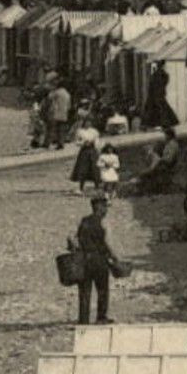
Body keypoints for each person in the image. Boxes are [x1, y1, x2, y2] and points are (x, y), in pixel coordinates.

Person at [74, 195, 119, 325]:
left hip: (84, 260)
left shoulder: (84, 221)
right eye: (105, 207)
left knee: (84, 291)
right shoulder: (101, 223)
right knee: (103, 289)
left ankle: (83, 319)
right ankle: (101, 317)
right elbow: (105, 244)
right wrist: (114, 258)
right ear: (99, 207)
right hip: (98, 260)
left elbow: (76, 240)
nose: (106, 210)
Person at [136, 126, 182, 194]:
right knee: (148, 170)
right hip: (164, 164)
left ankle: (147, 189)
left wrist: (159, 159)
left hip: (167, 166)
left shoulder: (172, 145)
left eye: (165, 135)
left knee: (146, 172)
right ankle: (146, 187)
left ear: (169, 135)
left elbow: (169, 159)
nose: (164, 136)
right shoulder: (169, 144)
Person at [142, 63, 179, 130]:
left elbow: (151, 87)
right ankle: (164, 123)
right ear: (163, 66)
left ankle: (155, 124)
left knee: (155, 109)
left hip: (154, 96)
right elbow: (165, 83)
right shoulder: (164, 75)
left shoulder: (154, 75)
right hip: (159, 95)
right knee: (162, 109)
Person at [70, 115, 101, 193]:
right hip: (84, 151)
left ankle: (97, 186)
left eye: (89, 122)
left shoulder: (94, 131)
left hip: (92, 150)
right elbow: (76, 142)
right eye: (86, 122)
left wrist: (94, 144)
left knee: (95, 168)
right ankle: (81, 186)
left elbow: (97, 141)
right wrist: (83, 143)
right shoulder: (80, 131)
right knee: (83, 168)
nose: (88, 124)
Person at [45, 80, 72, 150]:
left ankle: (48, 143)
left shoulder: (57, 92)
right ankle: (61, 144)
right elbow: (69, 106)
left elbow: (49, 97)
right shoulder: (67, 94)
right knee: (62, 130)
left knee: (52, 129)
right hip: (64, 114)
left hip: (56, 113)